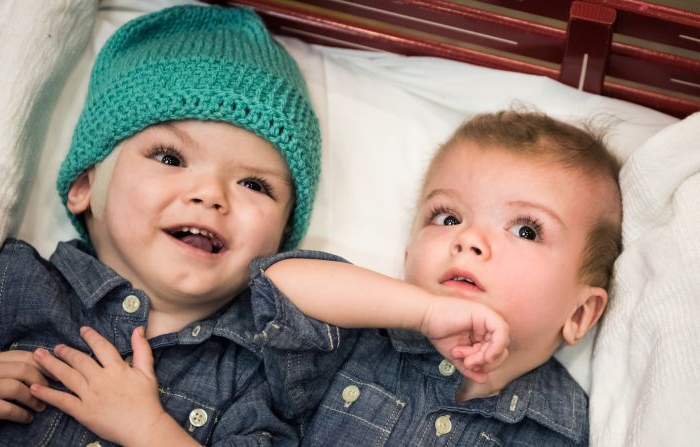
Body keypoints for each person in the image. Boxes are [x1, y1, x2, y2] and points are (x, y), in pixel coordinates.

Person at [0, 5, 510, 446]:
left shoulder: (257, 370)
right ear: (86, 184)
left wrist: (150, 431)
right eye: (169, 158)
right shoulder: (9, 284)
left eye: (254, 185)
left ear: (282, 242)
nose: (210, 195)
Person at [252, 110, 622, 445]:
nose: (468, 239)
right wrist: (424, 312)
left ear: (579, 315)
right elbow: (275, 283)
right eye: (448, 219)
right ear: (408, 256)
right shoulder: (362, 333)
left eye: (526, 230)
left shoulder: (563, 431)